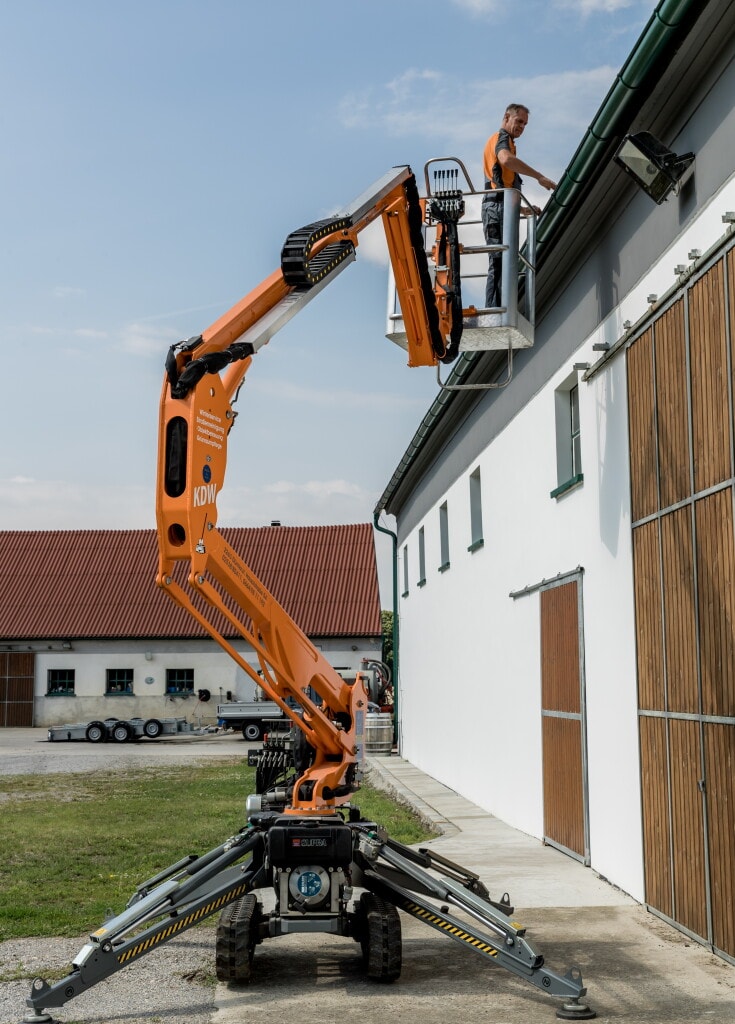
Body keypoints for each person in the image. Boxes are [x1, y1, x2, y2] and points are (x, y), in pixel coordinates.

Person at [482, 104, 557, 309]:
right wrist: (539, 177)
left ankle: (500, 308)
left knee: (504, 261)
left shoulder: (508, 142)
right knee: (499, 261)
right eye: (519, 121)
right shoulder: (502, 139)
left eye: (525, 124)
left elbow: (504, 185)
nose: (522, 127)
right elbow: (506, 160)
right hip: (496, 208)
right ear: (506, 117)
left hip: (501, 207)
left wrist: (522, 209)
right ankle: (494, 310)